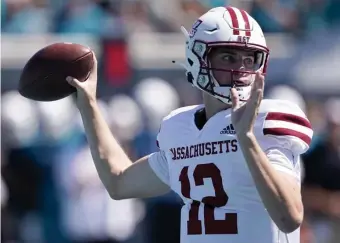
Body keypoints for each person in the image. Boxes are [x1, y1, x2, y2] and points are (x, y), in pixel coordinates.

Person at [66, 6, 313, 243]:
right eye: (228, 57)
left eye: (250, 59)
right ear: (198, 58)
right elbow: (119, 182)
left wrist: (246, 138)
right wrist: (88, 104)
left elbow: (289, 217)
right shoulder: (181, 128)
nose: (240, 69)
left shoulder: (266, 122)